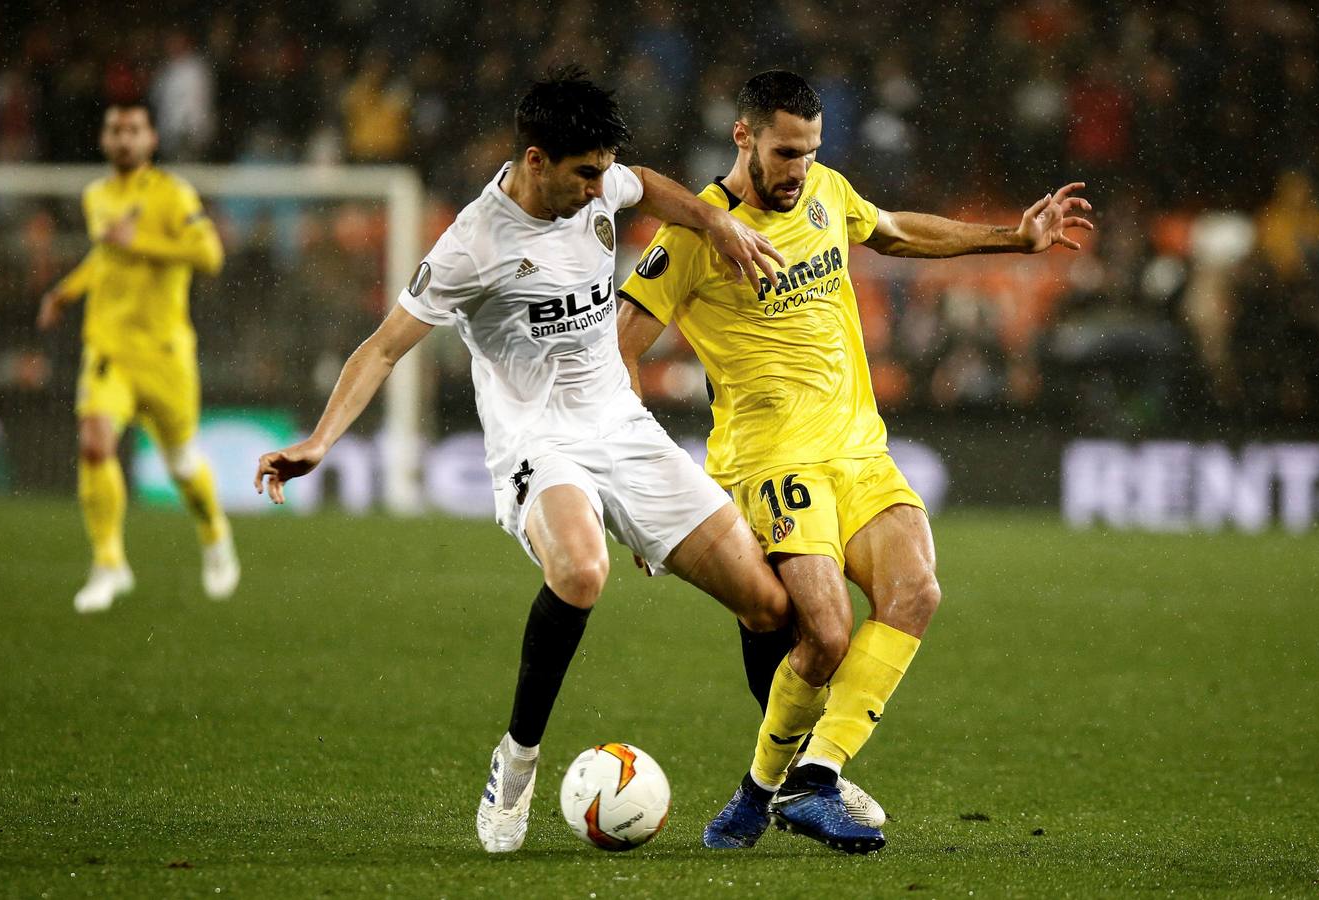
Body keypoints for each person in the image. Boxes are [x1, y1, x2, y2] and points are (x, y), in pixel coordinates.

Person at [252, 68, 879, 854]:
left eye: (602, 172)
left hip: (622, 426)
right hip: (537, 440)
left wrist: (714, 224)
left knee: (771, 607)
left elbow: (645, 184)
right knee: (582, 572)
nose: (598, 189)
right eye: (585, 174)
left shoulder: (602, 183)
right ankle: (515, 765)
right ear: (537, 159)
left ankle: (794, 775)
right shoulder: (472, 245)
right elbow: (381, 350)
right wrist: (318, 440)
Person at [617, 70, 1093, 853]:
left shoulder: (827, 191)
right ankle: (770, 790)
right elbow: (621, 352)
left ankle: (798, 783)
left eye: (809, 151)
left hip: (859, 449)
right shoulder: (693, 237)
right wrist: (643, 492)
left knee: (915, 593)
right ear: (743, 138)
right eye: (783, 151)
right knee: (827, 636)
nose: (797, 168)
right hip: (772, 462)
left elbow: (895, 231)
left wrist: (1014, 237)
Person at [37, 103, 239, 614]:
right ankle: (109, 562)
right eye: (114, 130)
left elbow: (209, 255)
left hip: (166, 354)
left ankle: (215, 535)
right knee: (94, 442)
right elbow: (106, 255)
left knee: (182, 464)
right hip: (109, 349)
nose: (123, 139)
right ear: (104, 141)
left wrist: (142, 240)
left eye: (133, 130)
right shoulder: (97, 195)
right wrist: (65, 291)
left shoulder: (173, 194)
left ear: (151, 139)